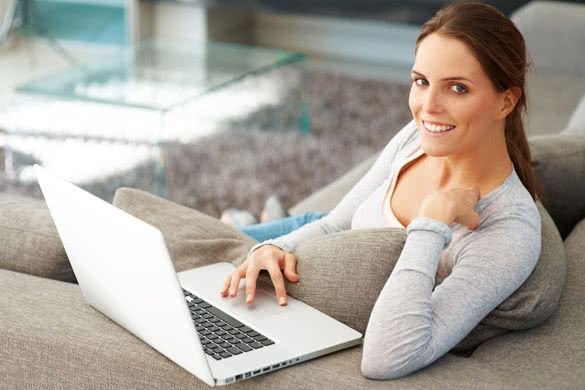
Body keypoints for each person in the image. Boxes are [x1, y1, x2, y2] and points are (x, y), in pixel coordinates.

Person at [220, 2, 543, 379]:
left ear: (506, 101)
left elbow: (386, 358)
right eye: (421, 81)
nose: (428, 107)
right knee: (198, 246)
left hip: (321, 280)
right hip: (318, 235)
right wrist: (276, 247)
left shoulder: (507, 233)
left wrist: (433, 221)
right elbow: (334, 224)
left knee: (208, 245)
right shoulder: (415, 140)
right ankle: (263, 225)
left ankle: (254, 221)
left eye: (457, 88)